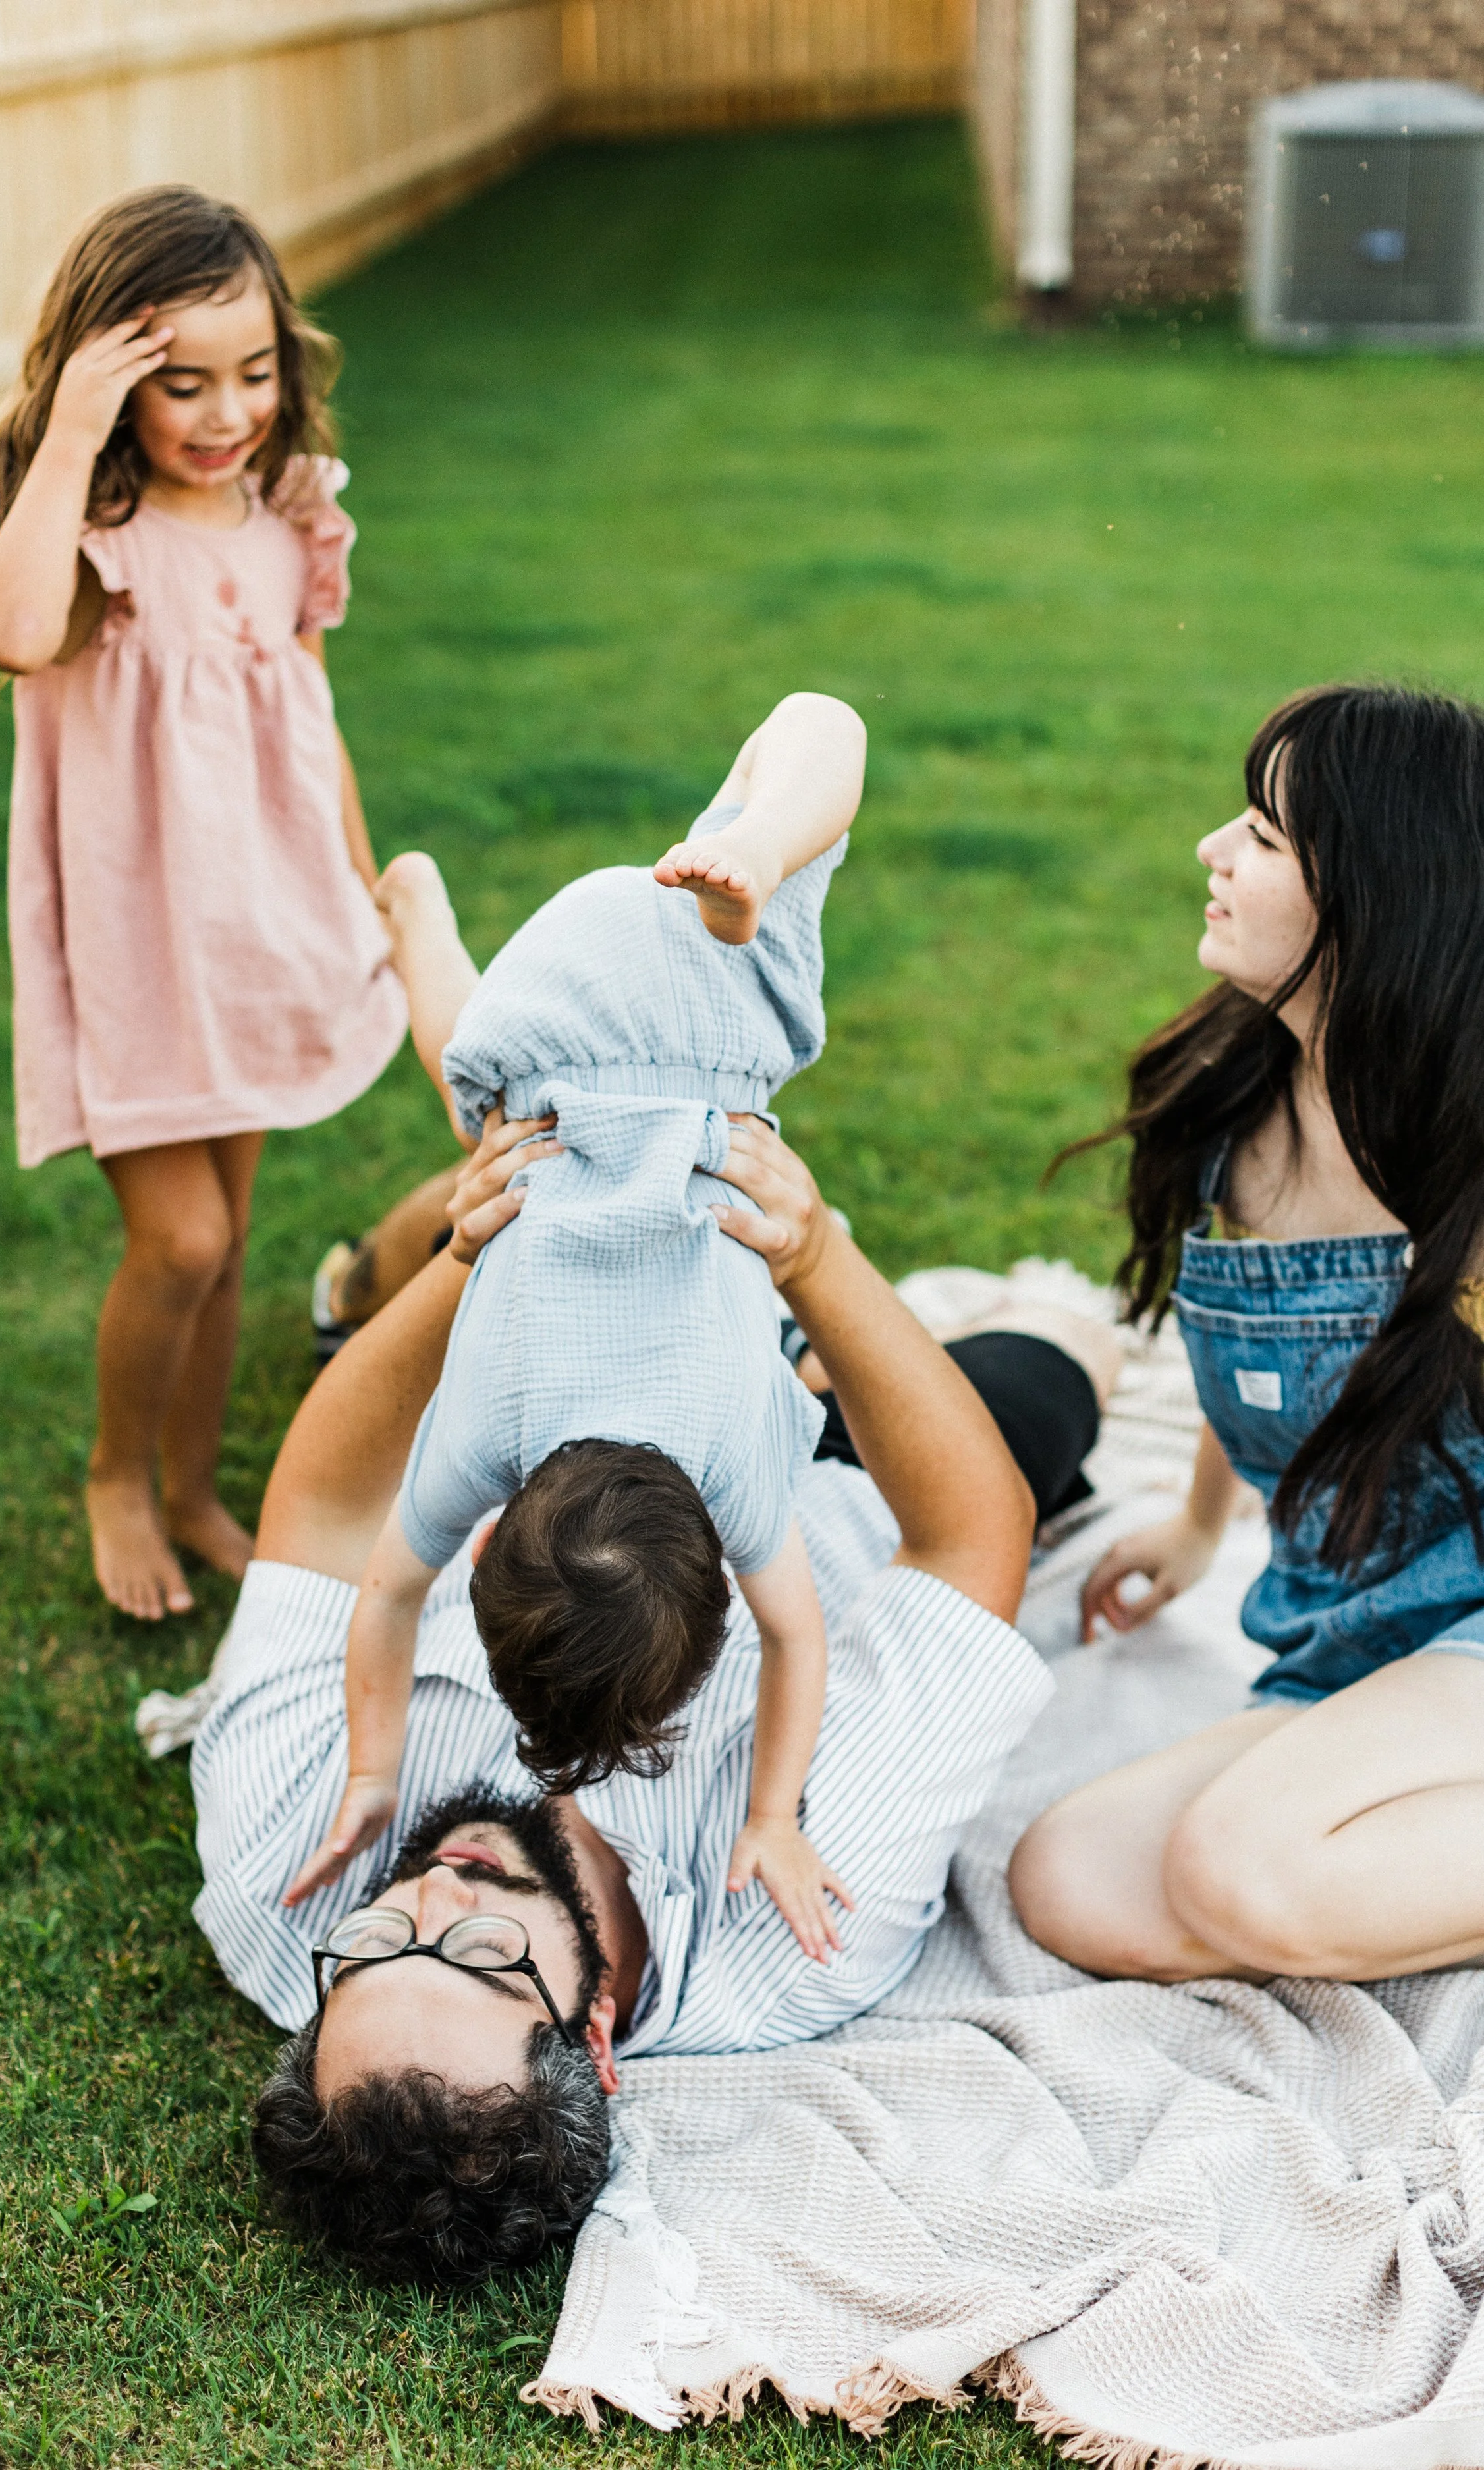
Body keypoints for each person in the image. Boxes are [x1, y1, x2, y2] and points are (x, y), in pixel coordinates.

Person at [186, 1115, 1085, 2285]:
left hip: (530, 1446)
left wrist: (467, 1256)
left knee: (501, 1201)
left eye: (374, 1946)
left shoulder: (272, 1868)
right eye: (483, 1950)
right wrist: (816, 1261)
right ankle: (809, 1357)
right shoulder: (796, 1939)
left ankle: (365, 1288)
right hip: (830, 1500)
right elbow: (971, 1533)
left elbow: (321, 1512)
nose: (436, 1889)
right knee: (1053, 1374)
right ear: (595, 2037)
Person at [297, 696, 868, 1962]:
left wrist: (775, 1811)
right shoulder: (490, 1432)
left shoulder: (730, 1466)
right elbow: (389, 1596)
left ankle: (764, 846)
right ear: (490, 1532)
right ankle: (424, 926)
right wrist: (368, 1768)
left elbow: (798, 1635)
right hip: (550, 1058)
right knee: (478, 1106)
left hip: (703, 1034)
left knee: (825, 725)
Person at [0, 186, 406, 1624]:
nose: (225, 412)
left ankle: (196, 1489)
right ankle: (116, 1474)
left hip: (258, 924)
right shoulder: (90, 529)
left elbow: (310, 714)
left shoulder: (281, 515)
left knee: (234, 1237)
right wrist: (68, 433)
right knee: (179, 1239)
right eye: (180, 383)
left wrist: (360, 881)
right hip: (135, 945)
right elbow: (10, 634)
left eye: (252, 374)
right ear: (108, 373)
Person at [1010, 684, 1484, 1986]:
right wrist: (1194, 1524)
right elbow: (1276, 1366)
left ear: (1374, 895)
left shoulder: (1460, 1167)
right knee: (1070, 1880)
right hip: (1350, 1632)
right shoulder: (1230, 1107)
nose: (1210, 850)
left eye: (1264, 838)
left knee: (1240, 1868)